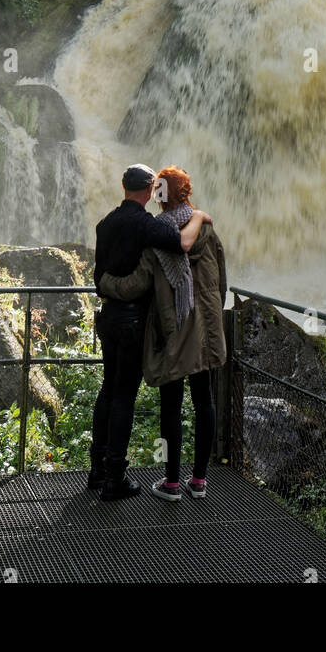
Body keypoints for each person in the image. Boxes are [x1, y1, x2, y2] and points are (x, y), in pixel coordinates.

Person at [98, 166, 226, 503]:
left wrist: (105, 283)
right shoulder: (208, 231)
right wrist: (212, 317)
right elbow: (221, 281)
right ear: (187, 193)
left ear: (160, 195)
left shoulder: (157, 237)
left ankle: (171, 482)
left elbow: (135, 285)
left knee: (170, 406)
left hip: (173, 333)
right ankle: (199, 480)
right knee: (204, 402)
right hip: (206, 333)